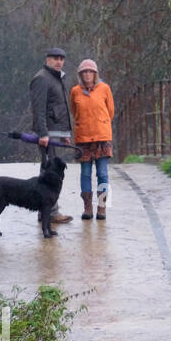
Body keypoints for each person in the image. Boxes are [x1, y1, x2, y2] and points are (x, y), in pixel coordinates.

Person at [29, 47, 73, 224]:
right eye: (55, 58)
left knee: (50, 171)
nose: (59, 61)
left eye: (61, 59)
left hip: (55, 133)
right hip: (48, 134)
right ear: (47, 60)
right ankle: (50, 212)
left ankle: (46, 211)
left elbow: (59, 108)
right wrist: (43, 133)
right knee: (50, 173)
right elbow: (38, 109)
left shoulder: (56, 78)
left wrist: (64, 134)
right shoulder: (41, 78)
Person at [69, 59, 114, 221]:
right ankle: (87, 207)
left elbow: (110, 111)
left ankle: (102, 207)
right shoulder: (75, 91)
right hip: (83, 138)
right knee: (85, 174)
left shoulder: (104, 89)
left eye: (90, 72)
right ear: (80, 75)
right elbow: (74, 112)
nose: (87, 74)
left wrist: (99, 123)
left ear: (95, 74)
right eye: (84, 72)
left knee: (102, 173)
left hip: (102, 137)